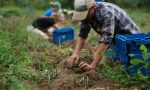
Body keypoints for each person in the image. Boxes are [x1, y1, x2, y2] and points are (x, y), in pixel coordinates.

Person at [67, 0, 140, 71]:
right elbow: (82, 34)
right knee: (110, 60)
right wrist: (75, 54)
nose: (84, 16)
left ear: (93, 7)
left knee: (128, 64)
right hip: (115, 38)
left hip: (130, 38)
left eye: (86, 13)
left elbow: (105, 40)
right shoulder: (87, 15)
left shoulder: (106, 13)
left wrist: (93, 65)